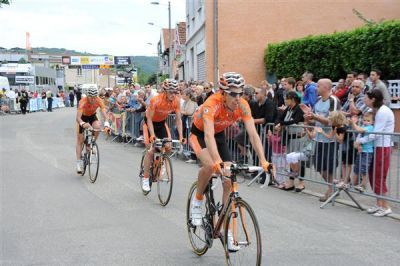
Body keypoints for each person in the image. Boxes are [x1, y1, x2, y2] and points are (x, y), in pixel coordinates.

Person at [189, 72, 271, 251]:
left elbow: (253, 134)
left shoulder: (243, 105)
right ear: (223, 92)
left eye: (240, 93)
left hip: (218, 136)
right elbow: (208, 135)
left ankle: (226, 228)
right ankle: (197, 200)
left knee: (229, 180)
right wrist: (218, 162)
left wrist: (264, 161)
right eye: (233, 94)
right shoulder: (212, 103)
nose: (237, 97)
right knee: (211, 166)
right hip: (200, 134)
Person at [355, 89, 394, 217]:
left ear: (372, 99)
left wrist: (361, 140)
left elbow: (376, 133)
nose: (364, 100)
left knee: (378, 177)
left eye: (366, 98)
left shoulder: (382, 111)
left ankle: (386, 207)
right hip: (376, 147)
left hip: (382, 147)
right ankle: (379, 204)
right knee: (373, 176)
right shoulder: (376, 111)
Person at [141, 79, 185, 192]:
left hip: (161, 124)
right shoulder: (156, 100)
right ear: (165, 91)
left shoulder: (176, 101)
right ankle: (146, 178)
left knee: (168, 146)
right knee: (151, 150)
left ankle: (162, 161)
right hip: (149, 123)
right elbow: (149, 119)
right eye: (171, 92)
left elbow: (179, 120)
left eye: (175, 92)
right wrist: (152, 135)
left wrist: (181, 136)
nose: (173, 94)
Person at [302, 79, 341, 201]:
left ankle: (331, 189)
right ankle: (334, 187)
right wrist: (308, 117)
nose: (316, 87)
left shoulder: (333, 100)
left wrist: (314, 116)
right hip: (318, 139)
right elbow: (315, 119)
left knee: (328, 168)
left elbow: (331, 121)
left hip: (330, 140)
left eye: (318, 85)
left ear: (326, 87)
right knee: (319, 167)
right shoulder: (318, 100)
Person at [75, 86, 109, 173]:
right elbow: (78, 118)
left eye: (94, 97)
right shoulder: (83, 101)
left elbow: (104, 112)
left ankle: (92, 143)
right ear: (87, 95)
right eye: (91, 97)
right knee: (80, 140)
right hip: (83, 118)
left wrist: (106, 123)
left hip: (92, 116)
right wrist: (83, 123)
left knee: (98, 126)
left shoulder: (99, 100)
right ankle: (78, 163)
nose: (93, 99)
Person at [348, 112, 375, 192]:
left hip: (367, 152)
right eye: (364, 120)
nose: (366, 122)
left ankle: (363, 185)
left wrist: (353, 123)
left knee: (364, 169)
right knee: (356, 168)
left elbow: (359, 130)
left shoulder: (370, 128)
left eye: (368, 120)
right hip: (360, 151)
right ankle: (354, 184)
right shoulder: (363, 126)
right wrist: (357, 144)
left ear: (372, 122)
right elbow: (358, 135)